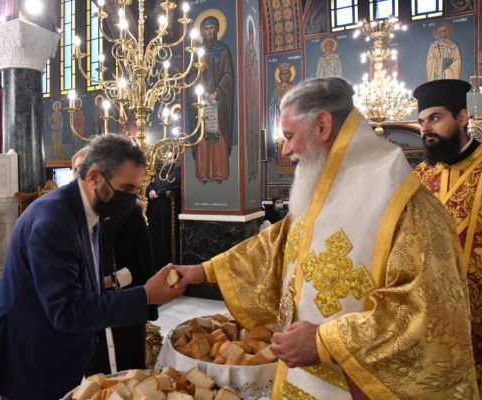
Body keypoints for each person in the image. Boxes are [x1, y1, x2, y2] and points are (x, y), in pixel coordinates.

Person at [173, 77, 478, 399]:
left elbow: (427, 315)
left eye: (290, 136)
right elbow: (280, 242)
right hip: (299, 378)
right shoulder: (324, 188)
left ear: (322, 125)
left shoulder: (408, 208)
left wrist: (324, 341)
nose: (285, 149)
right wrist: (204, 271)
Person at [0, 134, 184, 399]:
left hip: (59, 348)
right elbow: (67, 310)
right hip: (33, 358)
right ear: (94, 177)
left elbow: (86, 284)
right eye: (126, 189)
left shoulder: (86, 209)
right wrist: (145, 295)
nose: (131, 198)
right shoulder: (54, 219)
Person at [412, 79, 482, 393]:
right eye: (422, 121)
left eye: (435, 118)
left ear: (462, 117)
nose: (426, 128)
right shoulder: (419, 177)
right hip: (434, 326)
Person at [71, 146, 159, 374]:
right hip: (88, 309)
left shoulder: (130, 213)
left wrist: (110, 281)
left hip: (124, 305)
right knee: (96, 373)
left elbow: (144, 266)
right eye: (77, 170)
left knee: (129, 371)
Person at [188, 15, 234, 183]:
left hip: (216, 102)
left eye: (211, 28)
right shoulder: (197, 53)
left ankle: (219, 172)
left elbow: (228, 74)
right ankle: (204, 173)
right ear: (202, 32)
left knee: (217, 135)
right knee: (202, 136)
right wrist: (197, 75)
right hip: (201, 101)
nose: (209, 32)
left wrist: (217, 92)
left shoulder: (223, 51)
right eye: (206, 29)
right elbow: (190, 76)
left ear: (216, 30)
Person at [147, 160, 181, 270]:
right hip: (154, 211)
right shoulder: (156, 170)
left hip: (169, 212)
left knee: (166, 240)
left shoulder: (178, 170)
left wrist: (161, 192)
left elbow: (176, 186)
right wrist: (151, 191)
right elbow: (149, 184)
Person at [244, 19, 260, 182]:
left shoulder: (254, 51)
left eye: (251, 32)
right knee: (249, 134)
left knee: (254, 134)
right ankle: (250, 171)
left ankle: (253, 171)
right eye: (248, 32)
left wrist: (254, 74)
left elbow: (255, 73)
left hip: (253, 97)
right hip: (248, 96)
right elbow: (246, 70)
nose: (250, 35)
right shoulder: (247, 52)